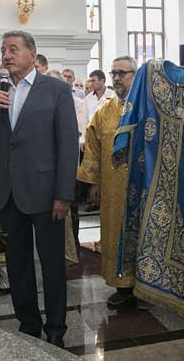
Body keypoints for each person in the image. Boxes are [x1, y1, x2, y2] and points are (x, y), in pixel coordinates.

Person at [0, 30, 79, 347]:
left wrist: (63, 195)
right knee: (17, 264)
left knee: (52, 264)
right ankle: (28, 323)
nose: (6, 55)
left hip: (46, 193)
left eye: (13, 49)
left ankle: (56, 326)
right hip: (7, 193)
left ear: (32, 53)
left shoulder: (56, 90)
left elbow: (68, 145)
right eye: (3, 50)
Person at [77, 56, 137, 308]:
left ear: (136, 75)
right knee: (115, 234)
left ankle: (146, 286)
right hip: (113, 189)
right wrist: (94, 183)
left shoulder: (148, 109)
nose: (117, 78)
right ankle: (123, 285)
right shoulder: (104, 111)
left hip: (142, 188)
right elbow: (92, 148)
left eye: (123, 73)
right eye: (114, 73)